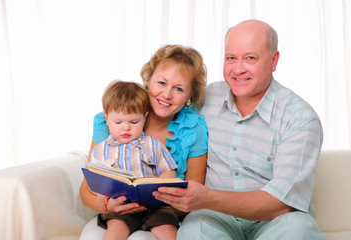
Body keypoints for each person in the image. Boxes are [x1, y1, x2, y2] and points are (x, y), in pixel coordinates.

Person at [153, 19, 326, 239]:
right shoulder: (205, 99)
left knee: (298, 230)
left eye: (250, 58)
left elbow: (282, 203)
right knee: (196, 227)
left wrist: (206, 198)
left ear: (274, 61)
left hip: (277, 220)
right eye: (230, 58)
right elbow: (164, 108)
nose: (238, 69)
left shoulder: (300, 119)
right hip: (214, 217)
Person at [79, 44, 208, 239]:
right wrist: (108, 204)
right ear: (149, 80)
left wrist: (158, 200)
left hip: (165, 214)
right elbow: (87, 188)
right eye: (162, 83)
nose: (166, 94)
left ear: (190, 95)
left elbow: (195, 196)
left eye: (179, 89)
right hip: (118, 212)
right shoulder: (116, 118)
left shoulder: (193, 129)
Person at [89, 80, 179, 240]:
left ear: (144, 118)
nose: (126, 128)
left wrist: (155, 184)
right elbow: (94, 180)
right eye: (118, 122)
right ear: (106, 118)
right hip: (121, 209)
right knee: (115, 231)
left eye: (134, 122)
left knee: (168, 230)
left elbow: (170, 173)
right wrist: (101, 194)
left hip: (154, 207)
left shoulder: (152, 144)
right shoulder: (101, 150)